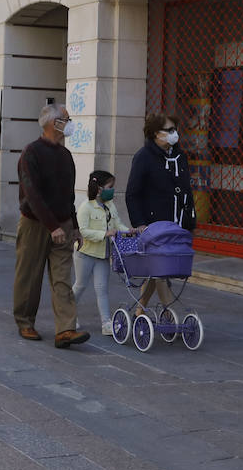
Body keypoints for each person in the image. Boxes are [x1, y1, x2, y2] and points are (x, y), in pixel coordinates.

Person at [13, 104, 89, 348]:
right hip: (35, 224)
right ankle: (25, 321)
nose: (70, 123)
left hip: (63, 224)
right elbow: (31, 194)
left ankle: (65, 329)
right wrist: (51, 225)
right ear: (54, 123)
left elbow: (68, 195)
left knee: (62, 278)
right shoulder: (31, 152)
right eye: (67, 119)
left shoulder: (66, 156)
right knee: (29, 275)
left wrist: (74, 225)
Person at [125, 113, 196, 315]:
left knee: (158, 270)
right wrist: (139, 223)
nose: (175, 134)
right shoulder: (143, 157)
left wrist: (190, 223)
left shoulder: (179, 156)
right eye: (170, 130)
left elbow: (186, 191)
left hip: (177, 223)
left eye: (175, 129)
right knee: (160, 269)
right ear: (156, 133)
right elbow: (132, 194)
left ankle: (140, 309)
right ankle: (171, 311)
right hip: (153, 225)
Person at [74, 170, 131, 337]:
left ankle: (106, 323)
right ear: (99, 188)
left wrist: (130, 231)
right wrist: (104, 234)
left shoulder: (110, 205)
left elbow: (117, 224)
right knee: (80, 285)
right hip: (85, 253)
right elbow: (83, 231)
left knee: (102, 289)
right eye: (110, 187)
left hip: (103, 255)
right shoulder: (86, 207)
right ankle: (68, 316)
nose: (112, 190)